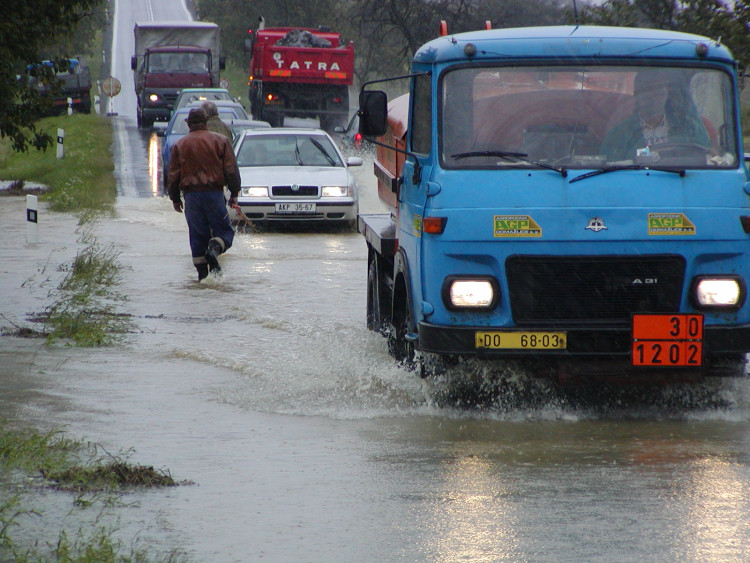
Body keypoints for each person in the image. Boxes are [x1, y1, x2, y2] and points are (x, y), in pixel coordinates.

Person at [167, 108, 241, 281]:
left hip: (191, 197)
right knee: (224, 232)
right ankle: (214, 250)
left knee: (197, 235)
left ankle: (202, 278)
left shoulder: (179, 144)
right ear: (206, 122)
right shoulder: (220, 141)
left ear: (188, 124)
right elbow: (231, 170)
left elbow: (173, 176)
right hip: (214, 194)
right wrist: (234, 193)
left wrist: (175, 198)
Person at [600, 69, 710, 162]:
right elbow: (610, 171)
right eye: (647, 90)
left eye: (659, 89)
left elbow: (706, 157)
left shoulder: (688, 127)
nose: (653, 96)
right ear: (636, 95)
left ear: (667, 93)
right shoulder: (619, 135)